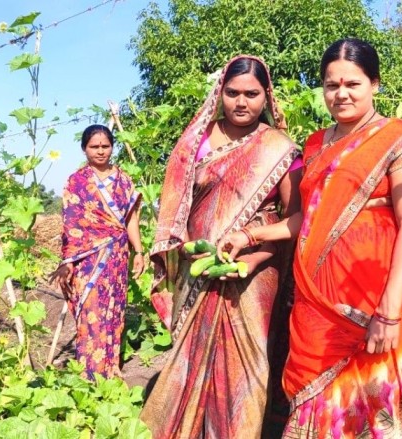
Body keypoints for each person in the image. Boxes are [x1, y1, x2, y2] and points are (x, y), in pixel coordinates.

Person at [218, 38, 402, 438]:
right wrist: (249, 235)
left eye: (353, 84)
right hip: (317, 300)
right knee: (314, 404)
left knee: (367, 409)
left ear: (375, 84)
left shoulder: (398, 139)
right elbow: (305, 219)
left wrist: (388, 312)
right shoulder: (315, 145)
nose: (341, 94)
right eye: (332, 85)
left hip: (376, 299)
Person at [141, 55, 302, 438]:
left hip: (256, 272)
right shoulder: (196, 141)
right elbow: (177, 204)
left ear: (267, 96)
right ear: (220, 93)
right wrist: (184, 250)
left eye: (251, 93)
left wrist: (251, 258)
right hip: (198, 266)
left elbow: (295, 219)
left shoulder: (278, 148)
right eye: (232, 93)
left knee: (247, 364)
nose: (241, 102)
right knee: (190, 355)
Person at [50, 124, 145, 379]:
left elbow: (131, 219)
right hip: (87, 258)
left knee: (113, 309)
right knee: (90, 310)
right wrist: (68, 262)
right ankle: (89, 373)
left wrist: (139, 251)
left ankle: (110, 369)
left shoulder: (124, 181)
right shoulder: (77, 182)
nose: (101, 151)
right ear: (84, 149)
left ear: (112, 147)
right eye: (94, 146)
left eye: (105, 146)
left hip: (117, 255)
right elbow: (71, 224)